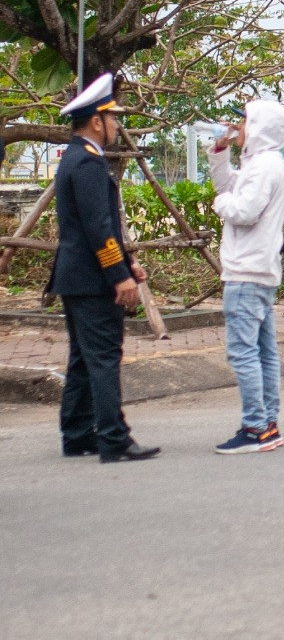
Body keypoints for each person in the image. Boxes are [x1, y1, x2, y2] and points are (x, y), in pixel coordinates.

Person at [52, 74, 158, 463]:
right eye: (113, 119)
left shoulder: (77, 158)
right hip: (92, 278)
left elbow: (100, 227)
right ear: (97, 121)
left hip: (77, 275)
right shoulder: (89, 164)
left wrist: (128, 261)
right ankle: (113, 437)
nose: (117, 126)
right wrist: (120, 276)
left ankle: (77, 433)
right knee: (103, 358)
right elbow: (98, 230)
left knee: (83, 356)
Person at [209, 100, 284, 454]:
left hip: (246, 270)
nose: (238, 126)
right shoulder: (263, 163)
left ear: (258, 126)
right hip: (259, 269)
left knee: (243, 352)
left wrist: (218, 206)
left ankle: (255, 427)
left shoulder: (263, 167)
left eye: (245, 121)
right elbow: (228, 185)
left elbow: (242, 210)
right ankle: (268, 423)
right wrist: (218, 152)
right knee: (263, 351)